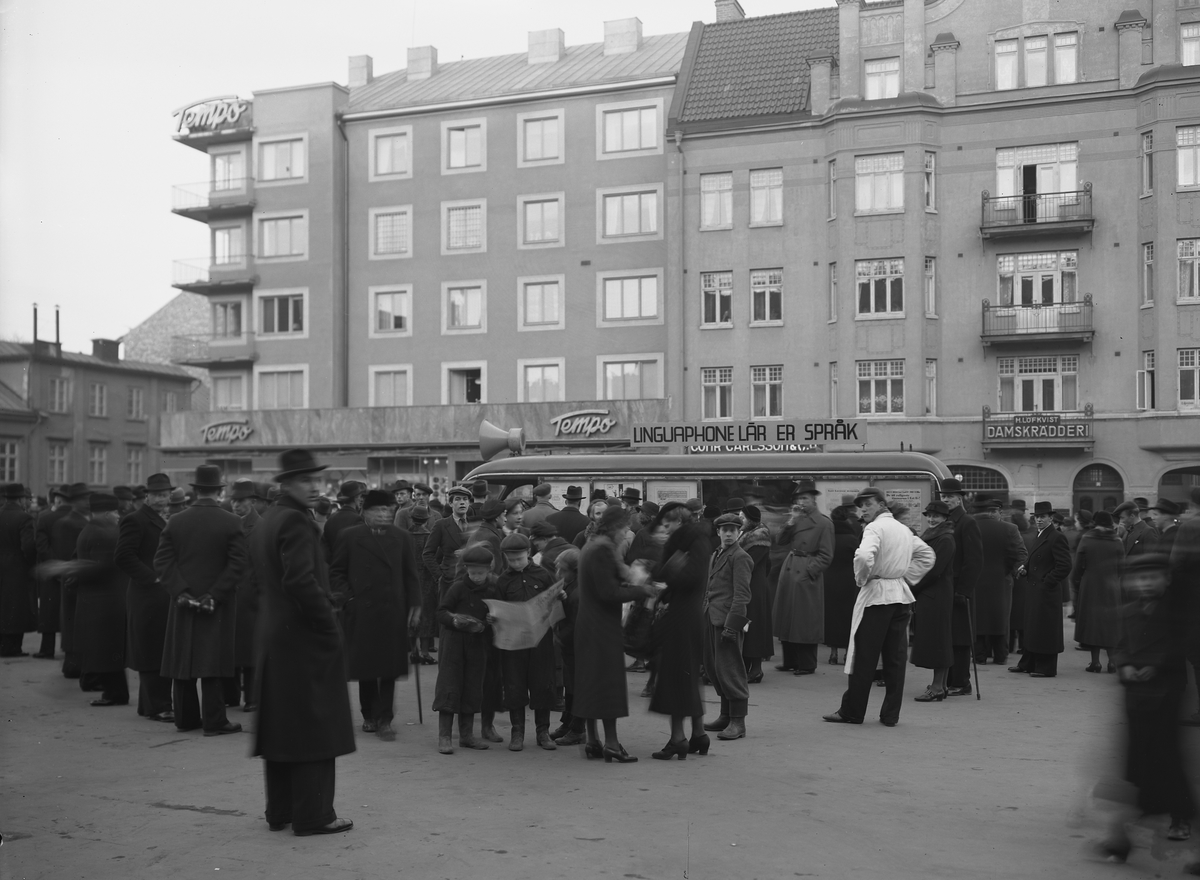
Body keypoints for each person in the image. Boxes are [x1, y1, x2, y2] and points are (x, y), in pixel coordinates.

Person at [249, 448, 355, 837]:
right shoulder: (295, 521)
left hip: (277, 636)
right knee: (314, 726)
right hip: (303, 637)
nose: (314, 486)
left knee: (283, 727)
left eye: (316, 479)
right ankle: (314, 814)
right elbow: (299, 580)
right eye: (305, 480)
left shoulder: (270, 518)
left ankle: (281, 811)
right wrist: (327, 625)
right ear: (287, 484)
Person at [1095, 554, 1197, 861]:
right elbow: (1121, 645)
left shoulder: (1176, 612)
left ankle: (1179, 816)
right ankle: (1125, 832)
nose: (1146, 583)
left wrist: (1156, 665)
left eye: (1153, 577)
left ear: (1167, 579)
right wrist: (1125, 665)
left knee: (1167, 759)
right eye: (1141, 578)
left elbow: (1181, 644)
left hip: (1166, 696)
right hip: (1136, 698)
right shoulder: (1128, 612)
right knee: (1137, 760)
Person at [823, 488, 934, 727]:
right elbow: (927, 555)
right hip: (900, 597)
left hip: (877, 597)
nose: (863, 509)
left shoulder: (874, 528)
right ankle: (890, 715)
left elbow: (864, 556)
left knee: (864, 656)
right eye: (861, 506)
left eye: (868, 504)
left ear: (882, 505)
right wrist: (904, 577)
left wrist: (862, 578)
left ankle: (853, 712)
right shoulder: (903, 529)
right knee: (895, 658)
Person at [154, 465, 247, 736]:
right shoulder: (232, 521)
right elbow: (238, 564)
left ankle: (185, 718)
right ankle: (214, 721)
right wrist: (214, 594)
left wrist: (181, 592)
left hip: (183, 601)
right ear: (219, 491)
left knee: (183, 658)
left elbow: (162, 561)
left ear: (195, 490)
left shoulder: (176, 521)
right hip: (216, 603)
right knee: (212, 659)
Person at [329, 489, 422, 742]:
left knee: (389, 667)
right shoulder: (349, 536)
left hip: (393, 611)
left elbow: (411, 575)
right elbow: (336, 572)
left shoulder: (402, 537)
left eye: (388, 509)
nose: (384, 514)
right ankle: (368, 714)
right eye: (378, 509)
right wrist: (348, 599)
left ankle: (385, 719)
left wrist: (416, 605)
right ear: (365, 512)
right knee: (367, 667)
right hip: (362, 611)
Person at [573, 506, 657, 763]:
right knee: (608, 684)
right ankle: (611, 743)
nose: (626, 532)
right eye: (623, 527)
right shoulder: (602, 550)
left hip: (589, 624)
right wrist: (643, 590)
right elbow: (608, 593)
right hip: (601, 627)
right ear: (612, 527)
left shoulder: (591, 545)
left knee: (590, 682)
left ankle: (592, 740)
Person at [648, 502, 710, 757]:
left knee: (676, 677)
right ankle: (699, 734)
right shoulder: (693, 541)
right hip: (689, 614)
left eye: (668, 524)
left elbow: (687, 577)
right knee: (689, 675)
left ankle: (678, 739)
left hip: (682, 616)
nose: (665, 529)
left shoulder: (690, 543)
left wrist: (667, 571)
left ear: (680, 522)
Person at [114, 472, 175, 722]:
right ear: (147, 496)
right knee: (151, 649)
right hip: (146, 594)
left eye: (165, 495)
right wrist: (153, 577)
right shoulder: (135, 520)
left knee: (157, 647)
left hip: (159, 596)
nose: (161, 499)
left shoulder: (165, 519)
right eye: (156, 495)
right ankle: (159, 706)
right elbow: (123, 556)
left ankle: (148, 705)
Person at [492, 532, 559, 751]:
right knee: (514, 685)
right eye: (510, 560)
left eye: (519, 559)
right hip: (513, 641)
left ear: (528, 553)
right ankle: (517, 731)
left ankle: (543, 731)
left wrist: (559, 598)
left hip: (541, 639)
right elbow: (498, 607)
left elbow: (553, 600)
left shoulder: (543, 575)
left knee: (543, 684)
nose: (515, 563)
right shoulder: (503, 580)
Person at [432, 543, 497, 755]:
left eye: (481, 573)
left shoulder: (492, 589)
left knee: (472, 688)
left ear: (489, 570)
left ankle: (467, 736)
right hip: (454, 644)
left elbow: (498, 615)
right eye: (473, 572)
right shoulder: (458, 588)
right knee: (449, 687)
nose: (476, 577)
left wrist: (491, 620)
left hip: (478, 644)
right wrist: (454, 619)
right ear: (466, 569)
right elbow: (441, 612)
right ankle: (444, 737)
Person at [68, 493, 129, 706]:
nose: (118, 516)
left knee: (104, 649)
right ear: (105, 513)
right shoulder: (105, 533)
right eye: (115, 512)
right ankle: (115, 693)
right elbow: (102, 567)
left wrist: (71, 572)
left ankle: (114, 694)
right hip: (105, 600)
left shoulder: (90, 530)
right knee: (107, 650)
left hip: (96, 601)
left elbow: (83, 562)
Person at [698, 513, 753, 744]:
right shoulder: (717, 554)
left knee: (730, 670)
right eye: (724, 530)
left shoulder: (741, 557)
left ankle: (738, 722)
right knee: (715, 669)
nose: (729, 534)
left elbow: (742, 595)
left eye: (733, 530)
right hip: (711, 618)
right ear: (718, 532)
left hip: (727, 622)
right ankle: (725, 715)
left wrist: (732, 626)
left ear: (739, 532)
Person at [771, 480, 834, 676]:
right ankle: (790, 660)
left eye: (805, 498)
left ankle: (807, 664)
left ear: (814, 500)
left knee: (805, 621)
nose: (801, 502)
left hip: (806, 571)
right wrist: (790, 521)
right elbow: (780, 541)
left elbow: (826, 555)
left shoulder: (824, 523)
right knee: (788, 616)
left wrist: (810, 571)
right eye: (798, 499)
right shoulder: (796, 520)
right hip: (790, 568)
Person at [1009, 501, 1073, 678]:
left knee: (1045, 630)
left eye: (1042, 517)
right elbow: (1037, 558)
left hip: (1046, 592)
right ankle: (1028, 663)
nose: (1039, 520)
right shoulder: (1041, 534)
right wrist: (1025, 568)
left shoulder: (1056, 536)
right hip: (1035, 590)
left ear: (1050, 518)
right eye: (1037, 517)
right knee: (1033, 628)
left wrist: (1047, 582)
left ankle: (1046, 668)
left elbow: (1064, 566)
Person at [938, 478, 983, 698]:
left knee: (961, 637)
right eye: (943, 496)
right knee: (947, 635)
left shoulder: (966, 522)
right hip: (945, 586)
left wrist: (963, 590)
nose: (946, 499)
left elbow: (974, 560)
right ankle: (947, 679)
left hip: (959, 587)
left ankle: (961, 681)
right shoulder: (943, 521)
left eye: (950, 496)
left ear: (959, 498)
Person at [910, 501, 955, 702]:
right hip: (931, 594)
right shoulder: (932, 536)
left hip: (936, 594)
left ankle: (937, 687)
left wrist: (913, 587)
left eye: (936, 516)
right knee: (938, 638)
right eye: (929, 515)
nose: (931, 519)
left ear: (945, 518)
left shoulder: (945, 539)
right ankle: (940, 685)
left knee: (939, 640)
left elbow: (934, 571)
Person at [972, 498, 1026, 666]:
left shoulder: (970, 527)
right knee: (1001, 617)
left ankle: (979, 655)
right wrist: (1010, 571)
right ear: (993, 512)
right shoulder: (1010, 528)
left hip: (975, 580)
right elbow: (1020, 554)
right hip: (1002, 580)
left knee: (978, 617)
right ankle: (1000, 655)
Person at [1071, 510, 1124, 673]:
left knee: (1092, 622)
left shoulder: (1087, 538)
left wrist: (1077, 582)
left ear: (1095, 523)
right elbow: (1122, 566)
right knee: (1110, 622)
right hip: (1111, 584)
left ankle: (1095, 662)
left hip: (1091, 584)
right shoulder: (1117, 540)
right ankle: (1112, 662)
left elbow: (1078, 565)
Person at [52, 483, 92, 680]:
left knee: (77, 623)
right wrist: (72, 575)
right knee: (73, 622)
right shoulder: (68, 523)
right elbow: (67, 555)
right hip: (73, 579)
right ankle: (73, 666)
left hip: (79, 578)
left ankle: (77, 664)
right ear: (74, 501)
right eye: (83, 499)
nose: (87, 502)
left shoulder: (83, 520)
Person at [229, 479, 263, 711]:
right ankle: (231, 696)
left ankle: (252, 698)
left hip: (251, 596)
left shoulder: (260, 526)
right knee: (231, 648)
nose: (236, 505)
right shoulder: (228, 523)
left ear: (252, 501)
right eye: (234, 500)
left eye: (241, 501)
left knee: (250, 651)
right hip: (231, 594)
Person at [549, 548, 584, 745]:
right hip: (569, 648)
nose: (558, 574)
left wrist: (559, 637)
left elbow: (575, 624)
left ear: (575, 571)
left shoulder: (579, 592)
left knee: (577, 686)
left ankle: (578, 728)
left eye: (562, 570)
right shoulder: (569, 586)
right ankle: (568, 723)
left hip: (576, 647)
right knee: (570, 685)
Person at [32, 485, 70, 659]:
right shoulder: (81, 519)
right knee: (70, 611)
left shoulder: (45, 518)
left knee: (49, 610)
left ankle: (47, 649)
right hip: (73, 570)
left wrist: (55, 566)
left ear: (57, 500)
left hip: (51, 570)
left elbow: (41, 546)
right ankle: (70, 650)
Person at [738, 504, 773, 683]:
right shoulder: (744, 535)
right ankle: (745, 667)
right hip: (748, 585)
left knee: (755, 627)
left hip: (755, 587)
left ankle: (756, 669)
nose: (740, 520)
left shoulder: (759, 538)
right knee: (745, 626)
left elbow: (749, 563)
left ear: (751, 520)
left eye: (742, 517)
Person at [0, 482, 36, 657]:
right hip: (16, 567)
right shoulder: (24, 518)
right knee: (15, 607)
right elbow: (28, 546)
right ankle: (12, 647)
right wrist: (31, 563)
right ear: (21, 499)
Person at [823, 501, 861, 666]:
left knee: (832, 616)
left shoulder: (828, 537)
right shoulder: (852, 538)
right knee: (847, 616)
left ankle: (833, 653)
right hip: (848, 581)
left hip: (829, 580)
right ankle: (847, 653)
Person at [422, 485, 473, 599]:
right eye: (457, 499)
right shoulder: (441, 525)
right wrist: (440, 576)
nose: (462, 502)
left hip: (471, 580)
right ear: (450, 503)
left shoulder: (474, 525)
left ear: (469, 503)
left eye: (465, 499)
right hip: (449, 581)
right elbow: (427, 554)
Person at [406, 505, 439, 665]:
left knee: (412, 614)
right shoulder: (429, 536)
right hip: (426, 581)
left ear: (411, 519)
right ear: (426, 520)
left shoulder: (404, 536)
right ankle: (425, 653)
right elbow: (433, 558)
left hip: (409, 580)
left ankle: (414, 652)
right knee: (427, 615)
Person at [322, 481, 365, 561]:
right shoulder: (357, 519)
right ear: (355, 498)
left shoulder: (331, 518)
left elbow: (325, 546)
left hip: (333, 564)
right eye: (360, 496)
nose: (361, 499)